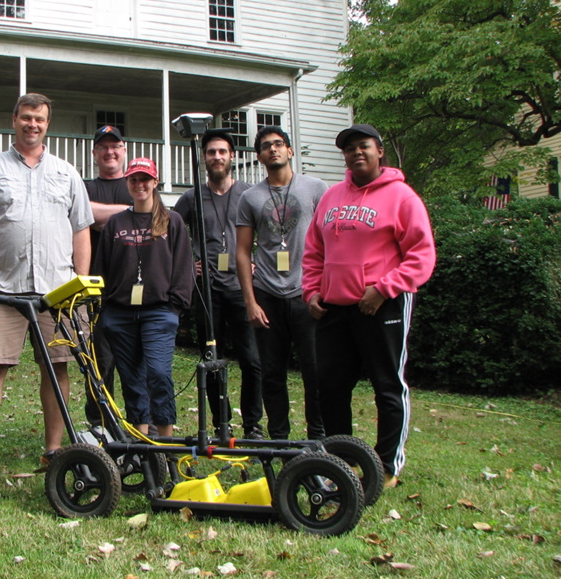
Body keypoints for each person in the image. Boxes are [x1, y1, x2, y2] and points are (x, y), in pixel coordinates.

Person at [0, 93, 93, 476]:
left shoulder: (66, 173)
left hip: (58, 290)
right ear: (14, 120)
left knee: (58, 366)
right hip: (1, 287)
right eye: (26, 118)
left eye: (40, 119)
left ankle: (53, 451)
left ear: (47, 124)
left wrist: (80, 283)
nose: (32, 124)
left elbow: (81, 229)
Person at [302, 124, 436, 487]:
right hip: (335, 308)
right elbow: (314, 251)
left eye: (363, 146)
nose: (356, 153)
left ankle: (387, 466)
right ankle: (341, 462)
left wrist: (384, 288)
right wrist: (312, 291)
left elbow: (421, 256)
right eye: (349, 149)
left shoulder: (402, 197)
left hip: (383, 306)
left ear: (379, 151)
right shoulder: (331, 197)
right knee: (330, 387)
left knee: (387, 385)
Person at [236, 126, 327, 441]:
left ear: (290, 150)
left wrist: (323, 290)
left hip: (307, 294)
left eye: (278, 144)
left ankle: (318, 437)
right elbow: (243, 251)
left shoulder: (316, 189)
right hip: (268, 295)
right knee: (272, 374)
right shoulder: (250, 197)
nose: (272, 149)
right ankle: (279, 439)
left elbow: (331, 242)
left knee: (315, 372)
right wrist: (250, 302)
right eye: (265, 146)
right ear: (259, 156)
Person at [92, 158, 193, 438]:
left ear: (155, 182)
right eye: (134, 180)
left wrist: (174, 307)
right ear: (127, 183)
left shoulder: (172, 221)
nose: (140, 185)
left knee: (159, 374)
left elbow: (184, 268)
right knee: (132, 379)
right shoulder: (116, 223)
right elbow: (101, 268)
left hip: (158, 312)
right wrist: (105, 307)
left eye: (145, 179)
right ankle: (142, 441)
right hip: (120, 315)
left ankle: (166, 441)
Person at [173, 130, 263, 439]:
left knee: (252, 360)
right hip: (208, 292)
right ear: (204, 158)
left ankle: (253, 425)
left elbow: (272, 235)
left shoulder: (249, 195)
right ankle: (220, 423)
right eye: (211, 152)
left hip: (242, 289)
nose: (217, 157)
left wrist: (258, 261)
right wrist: (187, 266)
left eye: (222, 151)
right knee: (212, 359)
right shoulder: (191, 196)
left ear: (232, 156)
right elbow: (171, 232)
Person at [83, 125, 132, 428]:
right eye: (103, 147)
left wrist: (102, 217)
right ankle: (100, 425)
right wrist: (128, 212)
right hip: (95, 289)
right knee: (99, 362)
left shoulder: (136, 183)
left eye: (115, 146)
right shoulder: (84, 187)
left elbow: (150, 214)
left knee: (135, 360)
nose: (110, 152)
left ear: (124, 150)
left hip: (133, 289)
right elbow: (83, 212)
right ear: (95, 154)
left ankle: (141, 424)